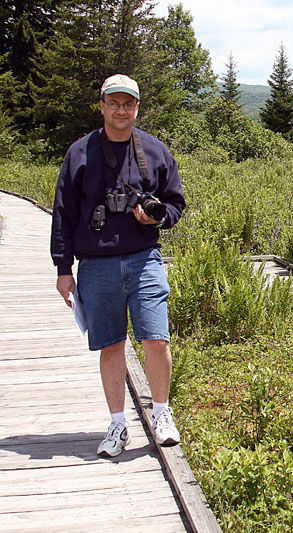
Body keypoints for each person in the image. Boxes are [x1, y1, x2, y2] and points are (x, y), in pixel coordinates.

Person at [50, 74, 186, 457]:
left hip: (145, 260)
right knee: (111, 346)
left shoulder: (155, 151)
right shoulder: (80, 153)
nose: (121, 110)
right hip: (96, 265)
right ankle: (117, 425)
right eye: (114, 103)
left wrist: (156, 218)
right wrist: (63, 269)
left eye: (128, 103)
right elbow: (63, 212)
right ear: (102, 105)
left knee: (157, 339)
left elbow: (175, 202)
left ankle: (161, 414)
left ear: (137, 108)